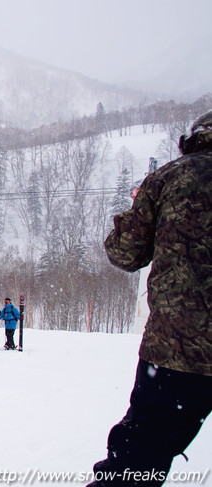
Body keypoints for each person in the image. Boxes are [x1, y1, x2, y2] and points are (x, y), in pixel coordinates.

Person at [88, 111, 212, 487]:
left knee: (140, 454)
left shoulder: (172, 177)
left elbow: (125, 254)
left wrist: (140, 209)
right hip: (181, 344)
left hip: (182, 345)